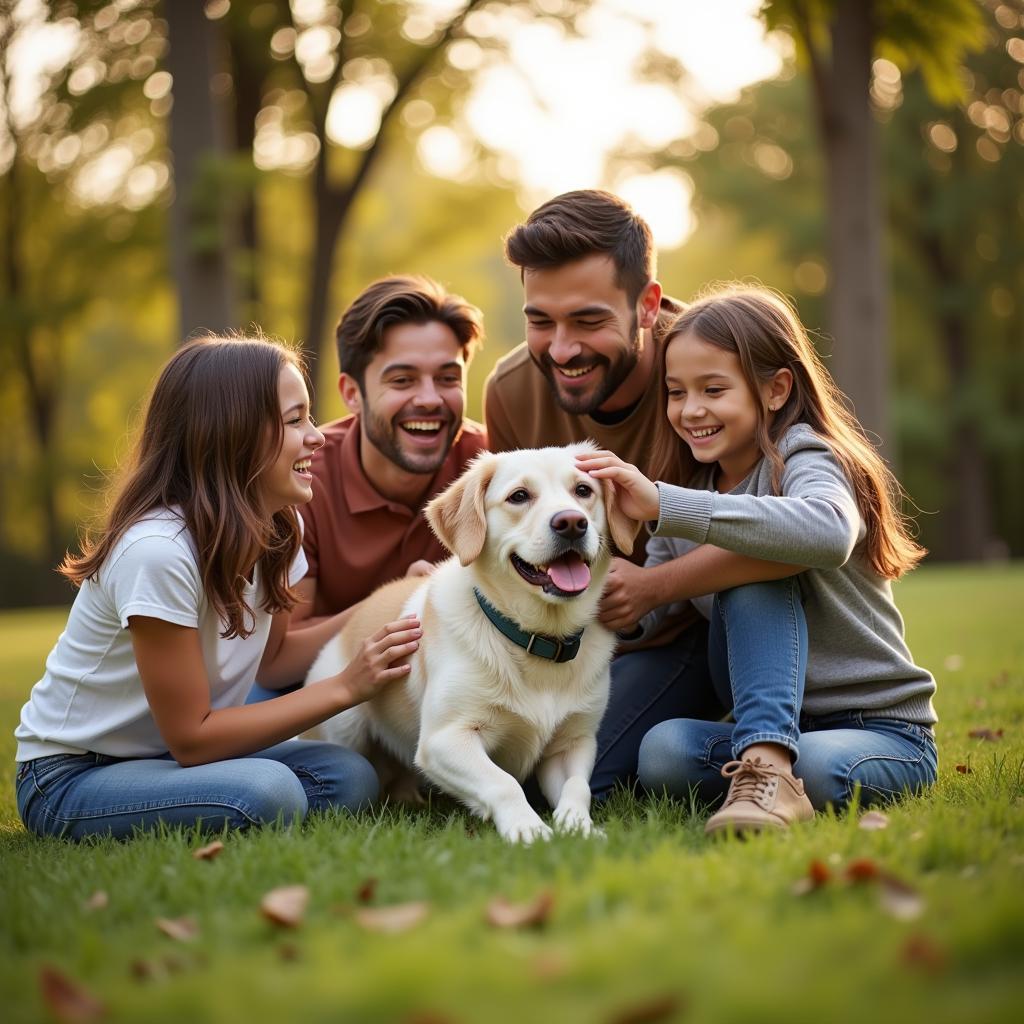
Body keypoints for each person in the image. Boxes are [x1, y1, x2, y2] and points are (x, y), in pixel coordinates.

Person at [14, 336, 422, 841]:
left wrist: (386, 607)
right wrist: (346, 686)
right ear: (233, 433)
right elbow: (192, 739)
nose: (317, 437)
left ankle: (218, 795)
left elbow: (275, 661)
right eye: (295, 421)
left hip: (168, 757)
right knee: (268, 792)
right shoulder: (158, 552)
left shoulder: (277, 526)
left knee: (348, 775)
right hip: (74, 775)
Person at [576, 286, 938, 834]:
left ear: (775, 390)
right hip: (764, 729)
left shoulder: (805, 454)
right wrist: (608, 593)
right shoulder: (692, 486)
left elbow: (827, 531)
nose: (691, 410)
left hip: (878, 730)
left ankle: (770, 772)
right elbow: (649, 609)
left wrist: (662, 504)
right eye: (676, 392)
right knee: (664, 751)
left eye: (713, 389)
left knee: (752, 567)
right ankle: (764, 767)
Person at [484, 189, 722, 799]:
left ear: (647, 305)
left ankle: (757, 736)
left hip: (705, 631)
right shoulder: (512, 391)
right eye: (540, 321)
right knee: (540, 775)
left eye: (588, 321)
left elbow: (775, 526)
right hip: (575, 646)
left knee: (588, 771)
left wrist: (656, 587)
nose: (561, 349)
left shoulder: (712, 372)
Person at [246, 275, 486, 702]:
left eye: (448, 378)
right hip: (317, 682)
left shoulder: (492, 470)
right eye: (403, 381)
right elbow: (277, 660)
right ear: (352, 393)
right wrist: (400, 603)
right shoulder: (300, 479)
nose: (430, 399)